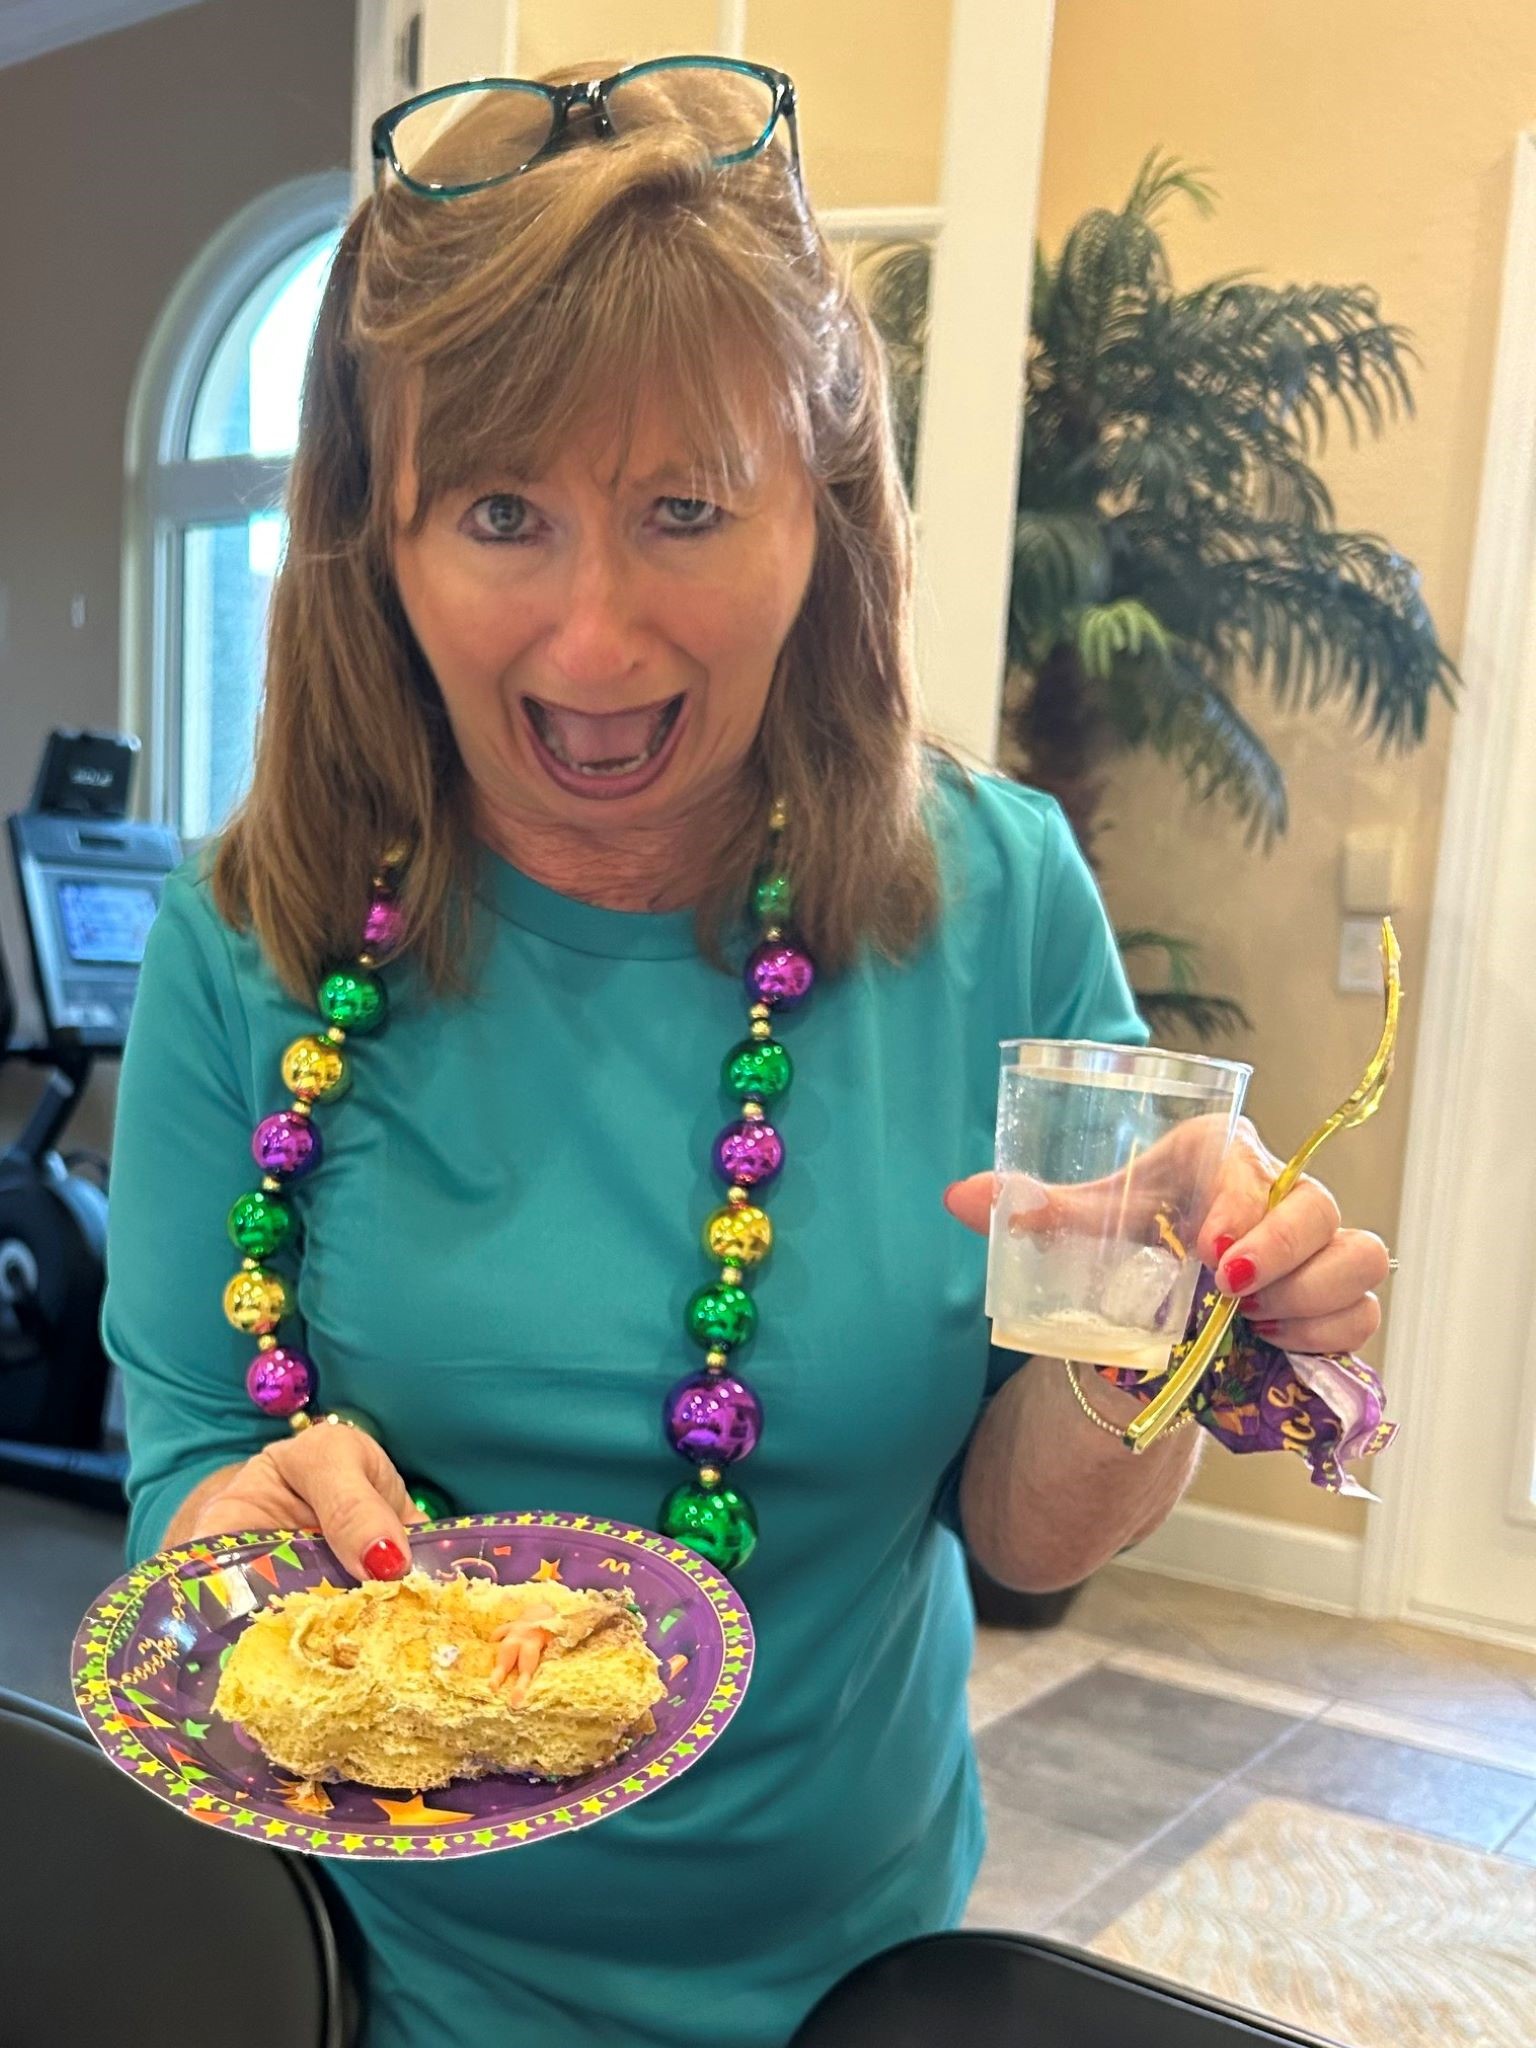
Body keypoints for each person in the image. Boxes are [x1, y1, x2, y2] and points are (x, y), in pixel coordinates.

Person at [103, 57, 1390, 2048]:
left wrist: (1162, 1315)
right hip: (364, 1967)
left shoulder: (999, 898)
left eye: (686, 508)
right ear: (380, 537)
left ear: (823, 510)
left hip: (859, 1980)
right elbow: (187, 1469)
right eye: (502, 513)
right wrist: (222, 1541)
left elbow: (1031, 1538)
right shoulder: (242, 940)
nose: (595, 642)